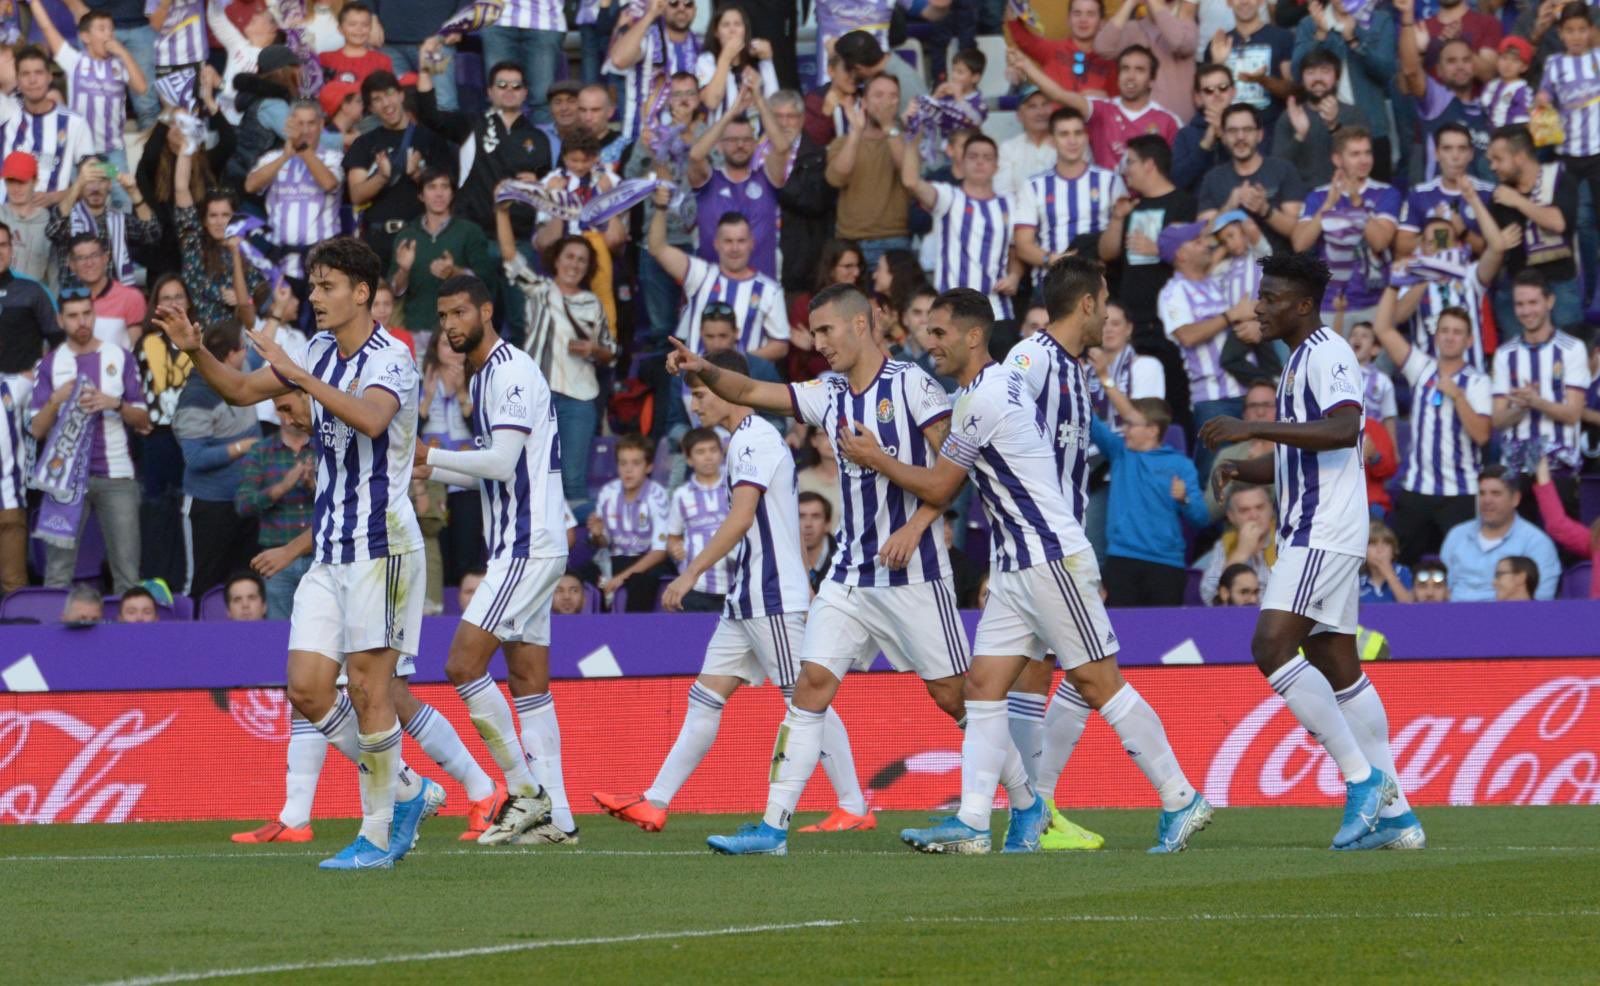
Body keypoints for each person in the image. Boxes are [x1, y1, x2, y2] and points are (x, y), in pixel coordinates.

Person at [844, 279, 1209, 854]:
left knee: (1097, 682)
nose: (929, 342)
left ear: (972, 335)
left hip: (1049, 556)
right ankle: (971, 822)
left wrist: (875, 457)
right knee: (983, 687)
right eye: (927, 331)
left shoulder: (986, 396)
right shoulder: (993, 385)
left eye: (939, 334)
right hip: (1016, 565)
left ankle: (1181, 797)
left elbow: (942, 484)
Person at [152, 237, 442, 870]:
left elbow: (370, 419)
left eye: (326, 285)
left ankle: (374, 835)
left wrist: (303, 377)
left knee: (370, 689)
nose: (314, 296)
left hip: (381, 544)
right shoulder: (312, 348)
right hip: (331, 548)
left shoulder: (392, 355)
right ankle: (409, 790)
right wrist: (195, 346)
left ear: (362, 293)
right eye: (312, 286)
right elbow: (236, 390)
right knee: (308, 689)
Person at [671, 283, 979, 856]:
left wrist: (915, 523)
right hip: (849, 575)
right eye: (813, 334)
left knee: (956, 698)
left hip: (913, 573)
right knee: (810, 687)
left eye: (826, 331)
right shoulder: (829, 391)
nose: (819, 344)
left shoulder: (911, 384)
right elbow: (750, 389)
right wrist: (703, 367)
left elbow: (955, 467)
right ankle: (773, 827)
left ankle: (1030, 804)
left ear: (860, 326)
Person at [595, 348, 873, 836]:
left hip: (772, 598)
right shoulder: (742, 441)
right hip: (747, 598)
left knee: (805, 703)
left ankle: (853, 804)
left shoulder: (756, 440)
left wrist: (689, 574)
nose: (694, 405)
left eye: (701, 393)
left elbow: (742, 516)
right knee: (704, 699)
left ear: (728, 388)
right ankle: (655, 801)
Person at [1201, 251, 1417, 851]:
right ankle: (1399, 817)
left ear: (1302, 303)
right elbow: (1309, 449)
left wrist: (1252, 428)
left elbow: (1345, 429)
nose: (1259, 306)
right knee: (1338, 665)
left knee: (1270, 644)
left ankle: (1363, 781)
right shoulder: (1299, 359)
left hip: (1322, 529)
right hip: (1314, 524)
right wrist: (1249, 466)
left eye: (1270, 297)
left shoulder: (1327, 352)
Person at [413, 273, 574, 847]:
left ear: (486, 310)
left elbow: (503, 462)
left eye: (460, 313)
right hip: (528, 539)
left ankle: (523, 792)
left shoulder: (507, 371)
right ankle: (559, 823)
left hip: (526, 545)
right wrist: (433, 466)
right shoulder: (487, 376)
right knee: (529, 682)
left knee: (462, 664)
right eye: (444, 316)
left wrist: (432, 455)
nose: (451, 325)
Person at [497, 199, 613, 521]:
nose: (575, 264)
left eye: (582, 260)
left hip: (580, 400)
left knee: (573, 481)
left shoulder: (593, 303)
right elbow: (509, 255)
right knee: (534, 476)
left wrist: (594, 350)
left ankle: (580, 555)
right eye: (570, 257)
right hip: (539, 399)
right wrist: (501, 210)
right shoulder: (538, 289)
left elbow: (610, 352)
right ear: (557, 260)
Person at [30, 287, 149, 593]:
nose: (81, 322)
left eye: (87, 313)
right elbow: (35, 430)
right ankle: (50, 640)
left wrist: (115, 404)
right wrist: (56, 401)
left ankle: (129, 639)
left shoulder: (119, 357)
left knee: (127, 573)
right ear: (60, 320)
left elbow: (144, 420)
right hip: (65, 479)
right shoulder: (50, 364)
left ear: (95, 314)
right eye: (73, 316)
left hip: (117, 474)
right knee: (57, 573)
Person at [1370, 289, 1491, 566]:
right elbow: (1383, 328)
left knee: (1465, 565)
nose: (1449, 337)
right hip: (1417, 488)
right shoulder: (1420, 367)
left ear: (1469, 340)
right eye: (1444, 330)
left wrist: (1458, 395)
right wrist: (1392, 285)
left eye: (1457, 332)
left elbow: (1482, 435)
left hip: (1461, 491)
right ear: (1436, 336)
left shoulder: (1478, 382)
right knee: (1395, 561)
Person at [647, 183, 789, 363]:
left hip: (743, 385)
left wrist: (735, 362)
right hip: (696, 386)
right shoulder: (699, 274)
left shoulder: (770, 290)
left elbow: (781, 345)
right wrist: (660, 208)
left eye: (741, 241)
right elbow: (657, 248)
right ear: (717, 244)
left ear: (751, 243)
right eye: (728, 241)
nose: (735, 248)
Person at [1157, 220, 1254, 476]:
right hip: (1213, 400)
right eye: (1197, 241)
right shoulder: (1173, 292)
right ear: (1181, 254)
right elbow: (1187, 335)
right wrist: (1231, 316)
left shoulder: (1214, 282)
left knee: (1252, 470)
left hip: (1248, 391)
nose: (1206, 244)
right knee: (1219, 476)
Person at [1492, 270, 1591, 519]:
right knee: (1517, 554)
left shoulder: (1572, 349)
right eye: (1520, 304)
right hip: (1516, 471)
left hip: (1560, 471)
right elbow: (1498, 420)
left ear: (1550, 302)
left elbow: (1573, 415)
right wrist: (1521, 408)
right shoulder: (1505, 354)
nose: (1526, 311)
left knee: (1562, 549)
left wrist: (1536, 402)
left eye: (1533, 302)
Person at [175, 321, 262, 600]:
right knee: (204, 580)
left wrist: (275, 314)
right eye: (243, 348)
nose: (247, 353)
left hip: (246, 503)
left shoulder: (240, 371)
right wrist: (242, 447)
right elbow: (195, 458)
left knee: (245, 582)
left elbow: (260, 356)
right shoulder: (196, 397)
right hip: (209, 506)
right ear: (229, 355)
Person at [1094, 396, 1209, 606]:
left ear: (1153, 430)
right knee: (1121, 634)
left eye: (1131, 424)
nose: (1125, 429)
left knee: (1165, 637)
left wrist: (1185, 499)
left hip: (1166, 566)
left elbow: (1201, 518)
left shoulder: (1181, 465)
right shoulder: (1120, 452)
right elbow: (1090, 422)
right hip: (1121, 561)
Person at [900, 132, 1022, 322]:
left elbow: (1015, 248)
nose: (980, 162)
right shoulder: (948, 197)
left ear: (996, 166)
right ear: (961, 163)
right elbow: (910, 182)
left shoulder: (1010, 204)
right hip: (951, 311)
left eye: (987, 157)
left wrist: (1014, 276)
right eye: (973, 157)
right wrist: (912, 141)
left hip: (997, 311)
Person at [1291, 127, 1401, 330]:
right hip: (1328, 305)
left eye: (1367, 153)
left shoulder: (1386, 193)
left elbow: (1380, 242)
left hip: (1374, 303)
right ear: (1337, 159)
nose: (1364, 160)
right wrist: (1327, 206)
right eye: (1355, 154)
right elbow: (1300, 244)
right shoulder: (1318, 196)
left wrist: (1356, 201)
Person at [344, 70, 455, 270]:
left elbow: (447, 192)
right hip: (377, 240)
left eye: (389, 94)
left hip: (422, 237)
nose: (386, 104)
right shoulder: (364, 143)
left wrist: (417, 175)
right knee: (379, 301)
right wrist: (381, 176)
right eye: (377, 99)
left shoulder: (431, 139)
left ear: (401, 94)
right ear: (370, 108)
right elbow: (356, 195)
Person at [29, 2, 148, 180]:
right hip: (79, 153)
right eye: (101, 28)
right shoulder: (74, 61)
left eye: (110, 29)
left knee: (121, 199)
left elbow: (142, 88)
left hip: (111, 155)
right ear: (85, 37)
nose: (108, 34)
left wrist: (123, 53)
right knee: (76, 199)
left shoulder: (119, 64)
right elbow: (46, 27)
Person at [1483, 125, 1583, 333]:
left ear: (1519, 157)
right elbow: (1495, 245)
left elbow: (1558, 223)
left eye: (1498, 159)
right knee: (1517, 361)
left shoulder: (1559, 179)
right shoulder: (1500, 195)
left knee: (1568, 355)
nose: (1493, 166)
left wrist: (1519, 202)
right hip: (1517, 289)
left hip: (1559, 285)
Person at [1014, 108, 1125, 290]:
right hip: (1051, 286)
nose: (1072, 141)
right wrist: (1055, 260)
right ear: (1052, 140)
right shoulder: (1033, 186)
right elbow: (1023, 245)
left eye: (1078, 133)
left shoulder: (1111, 181)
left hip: (1100, 284)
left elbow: (1121, 236)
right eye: (1064, 134)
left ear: (1086, 136)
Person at [688, 91, 789, 280]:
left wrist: (759, 100)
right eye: (732, 140)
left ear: (755, 144)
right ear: (719, 145)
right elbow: (695, 156)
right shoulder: (708, 181)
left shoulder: (767, 179)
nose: (740, 145)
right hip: (714, 288)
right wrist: (731, 112)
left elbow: (782, 147)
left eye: (746, 140)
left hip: (761, 290)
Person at [235, 390, 317, 619]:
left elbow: (342, 501)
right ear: (276, 410)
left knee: (325, 631)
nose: (289, 417)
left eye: (291, 408)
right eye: (283, 409)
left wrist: (314, 486)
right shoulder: (260, 452)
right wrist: (281, 487)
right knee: (278, 634)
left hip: (320, 557)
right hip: (277, 559)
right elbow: (243, 505)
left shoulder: (325, 447)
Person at [1438, 466, 1561, 601]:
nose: (1487, 500)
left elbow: (1541, 597)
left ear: (1515, 498)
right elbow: (1441, 589)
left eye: (1496, 493)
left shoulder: (1537, 543)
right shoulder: (1456, 535)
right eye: (1482, 493)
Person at [825, 74, 911, 268]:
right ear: (863, 101)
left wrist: (889, 125)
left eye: (893, 96)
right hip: (851, 243)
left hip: (895, 241)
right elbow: (836, 178)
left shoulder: (906, 141)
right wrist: (855, 133)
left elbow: (909, 175)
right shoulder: (842, 142)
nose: (886, 102)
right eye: (879, 95)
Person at [1198, 103, 1305, 254]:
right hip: (1231, 273)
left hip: (1280, 270)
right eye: (1232, 131)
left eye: (1247, 130)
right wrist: (1228, 207)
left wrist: (1265, 209)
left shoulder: (1283, 169)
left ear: (1260, 135)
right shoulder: (1212, 178)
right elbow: (1203, 237)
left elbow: (1298, 232)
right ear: (1223, 136)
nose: (1240, 137)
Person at [0, 46, 95, 205]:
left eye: (38, 73)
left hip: (54, 221)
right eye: (25, 74)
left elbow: (97, 173)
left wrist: (55, 197)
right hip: (6, 222)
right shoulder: (5, 115)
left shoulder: (74, 122)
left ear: (49, 77)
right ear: (17, 80)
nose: (32, 80)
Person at [591, 433, 673, 612]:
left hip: (648, 559)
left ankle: (633, 635)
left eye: (636, 463)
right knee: (582, 575)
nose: (628, 470)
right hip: (616, 557)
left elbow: (660, 552)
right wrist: (597, 535)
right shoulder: (607, 492)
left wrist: (621, 578)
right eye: (623, 463)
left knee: (640, 580)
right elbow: (603, 544)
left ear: (649, 466)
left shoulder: (657, 495)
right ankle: (593, 633)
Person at [607, 0, 703, 144]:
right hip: (641, 142)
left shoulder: (700, 45)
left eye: (688, 4)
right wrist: (650, 15)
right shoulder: (648, 37)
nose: (681, 8)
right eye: (674, 3)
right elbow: (618, 59)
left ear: (695, 10)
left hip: (686, 145)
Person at [1270, 48, 1363, 189]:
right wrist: (1299, 136)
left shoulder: (1354, 114)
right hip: (1300, 197)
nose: (1317, 79)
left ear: (1337, 77)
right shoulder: (1289, 116)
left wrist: (1333, 126)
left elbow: (1360, 163)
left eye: (1325, 71)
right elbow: (1276, 169)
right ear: (1302, 79)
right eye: (1310, 72)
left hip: (1344, 192)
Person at [663, 428, 733, 612]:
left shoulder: (735, 488)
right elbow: (673, 537)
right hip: (696, 586)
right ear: (688, 459)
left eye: (713, 450)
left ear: (721, 453)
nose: (708, 457)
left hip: (736, 582)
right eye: (700, 452)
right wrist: (674, 548)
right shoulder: (681, 495)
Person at [0, 219, 61, 376]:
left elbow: (59, 341)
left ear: (11, 250)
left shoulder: (33, 291)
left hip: (26, 390)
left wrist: (41, 374)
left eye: (3, 245)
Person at [1171, 63, 1237, 192]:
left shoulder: (1249, 127)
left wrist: (1224, 137)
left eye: (1223, 88)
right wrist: (1205, 145)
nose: (1217, 94)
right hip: (1198, 208)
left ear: (1233, 92)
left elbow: (1257, 171)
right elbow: (1176, 181)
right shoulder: (1186, 134)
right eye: (1209, 90)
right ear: (1198, 98)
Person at [316, 2, 394, 90]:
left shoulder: (383, 61)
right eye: (352, 24)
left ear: (370, 28)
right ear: (340, 29)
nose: (359, 29)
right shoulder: (325, 59)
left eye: (365, 25)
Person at [1360, 521, 1414, 603]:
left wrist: (1389, 573)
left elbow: (1412, 608)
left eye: (1386, 543)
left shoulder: (1404, 573)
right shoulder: (1358, 581)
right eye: (1373, 544)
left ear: (1394, 551)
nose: (1380, 549)